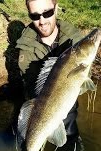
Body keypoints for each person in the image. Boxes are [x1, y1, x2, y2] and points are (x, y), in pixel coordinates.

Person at [15, 0, 84, 143]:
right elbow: (31, 88)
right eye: (35, 16)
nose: (42, 21)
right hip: (39, 106)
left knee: (71, 144)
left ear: (56, 9)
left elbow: (84, 78)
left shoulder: (74, 39)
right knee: (20, 138)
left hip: (66, 105)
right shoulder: (26, 48)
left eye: (47, 13)